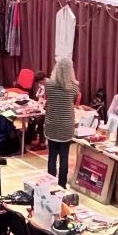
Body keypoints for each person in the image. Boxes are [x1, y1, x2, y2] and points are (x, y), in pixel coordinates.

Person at [44, 58, 79, 189]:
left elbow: (48, 99)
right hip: (66, 126)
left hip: (52, 123)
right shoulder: (73, 87)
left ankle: (50, 184)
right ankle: (61, 186)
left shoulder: (49, 84)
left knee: (52, 156)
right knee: (64, 157)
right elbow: (74, 100)